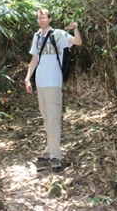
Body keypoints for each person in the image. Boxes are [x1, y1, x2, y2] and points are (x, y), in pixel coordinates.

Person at [25, 9, 82, 172]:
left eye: (44, 17)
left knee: (54, 118)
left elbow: (78, 42)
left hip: (53, 82)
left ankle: (56, 156)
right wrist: (27, 78)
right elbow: (34, 59)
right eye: (39, 17)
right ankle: (50, 149)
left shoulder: (58, 34)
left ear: (49, 19)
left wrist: (75, 28)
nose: (41, 20)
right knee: (46, 118)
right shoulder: (36, 36)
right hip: (40, 82)